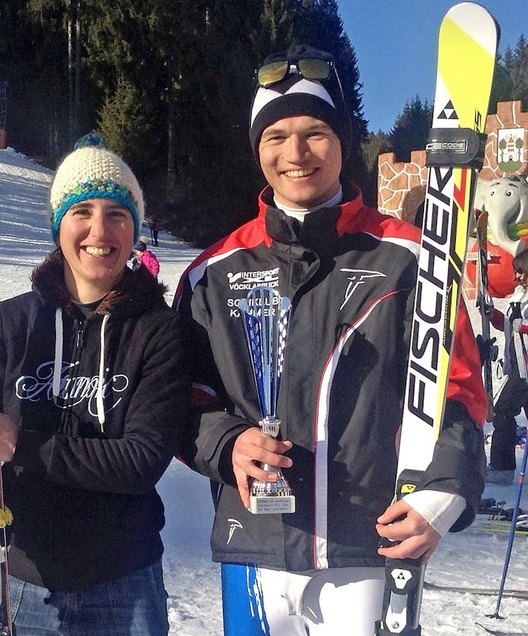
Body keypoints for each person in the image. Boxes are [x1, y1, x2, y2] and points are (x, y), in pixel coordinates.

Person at [175, 44, 487, 635]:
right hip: (256, 548)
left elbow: (463, 390)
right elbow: (181, 398)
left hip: (372, 547)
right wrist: (227, 443)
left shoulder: (413, 259)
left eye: (315, 132)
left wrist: (443, 496)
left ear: (344, 141)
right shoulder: (212, 273)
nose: (295, 154)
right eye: (276, 136)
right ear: (257, 149)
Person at [0, 133, 192, 635]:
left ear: (135, 228)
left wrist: (17, 443)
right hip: (22, 580)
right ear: (58, 225)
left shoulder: (158, 330)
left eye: (117, 213)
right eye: (81, 211)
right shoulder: (5, 324)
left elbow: (140, 462)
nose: (99, 229)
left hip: (122, 582)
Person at [485, 249, 528, 486]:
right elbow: (510, 327)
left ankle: (502, 469)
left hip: (524, 370)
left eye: (521, 271)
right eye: (516, 272)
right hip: (518, 367)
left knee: (502, 411)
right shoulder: (518, 295)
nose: (517, 277)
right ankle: (502, 469)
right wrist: (493, 316)